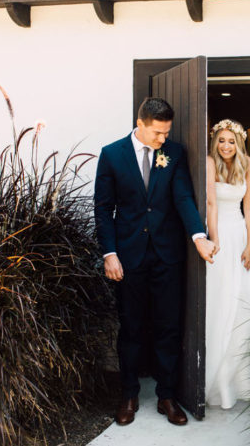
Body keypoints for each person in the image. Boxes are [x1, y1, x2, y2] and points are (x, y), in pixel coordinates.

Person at [94, 97, 217, 426]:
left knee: (168, 327)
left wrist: (198, 236)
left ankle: (167, 396)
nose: (163, 138)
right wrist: (109, 254)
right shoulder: (112, 154)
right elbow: (103, 209)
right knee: (131, 328)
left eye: (167, 132)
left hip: (167, 255)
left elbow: (183, 197)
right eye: (158, 133)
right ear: (141, 124)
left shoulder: (173, 153)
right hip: (128, 257)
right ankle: (129, 394)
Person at [204, 119, 250, 409]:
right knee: (223, 301)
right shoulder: (210, 163)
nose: (226, 146)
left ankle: (247, 380)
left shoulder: (247, 163)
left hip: (243, 234)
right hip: (220, 233)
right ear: (215, 142)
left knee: (249, 301)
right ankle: (219, 381)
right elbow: (211, 204)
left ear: (239, 143)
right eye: (221, 140)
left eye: (231, 141)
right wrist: (214, 239)